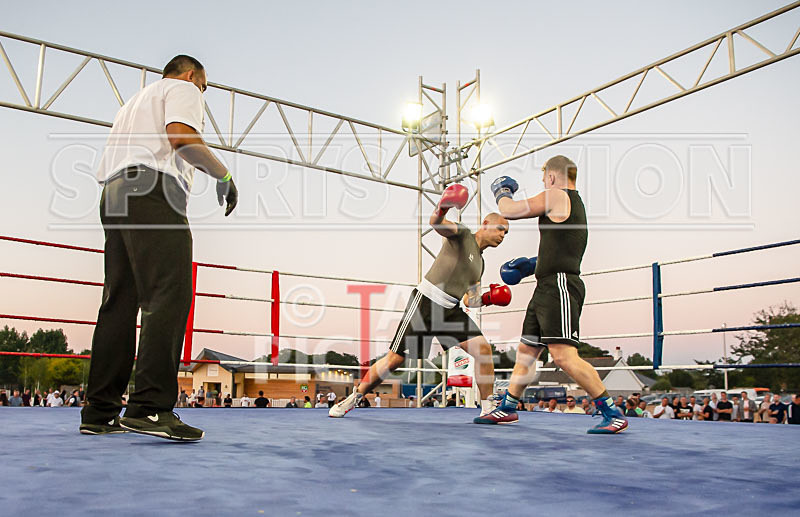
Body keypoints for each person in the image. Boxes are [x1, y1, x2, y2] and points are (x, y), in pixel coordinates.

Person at [80, 55, 238, 441]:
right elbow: (181, 138)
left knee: (119, 301)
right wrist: (223, 174)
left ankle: (99, 411)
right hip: (153, 190)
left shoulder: (133, 104)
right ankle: (150, 407)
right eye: (204, 86)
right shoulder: (183, 88)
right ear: (191, 75)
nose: (202, 93)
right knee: (169, 292)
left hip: (114, 193)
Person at [330, 184, 510, 419]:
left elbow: (471, 300)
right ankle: (353, 398)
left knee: (483, 350)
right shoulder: (463, 234)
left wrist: (490, 298)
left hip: (451, 310)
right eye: (500, 229)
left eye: (506, 234)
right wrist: (444, 206)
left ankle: (487, 408)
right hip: (427, 302)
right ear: (485, 224)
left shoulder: (480, 264)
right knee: (394, 360)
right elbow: (436, 223)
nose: (502, 236)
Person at [476, 156, 626, 434]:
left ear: (552, 177)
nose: (543, 184)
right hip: (547, 285)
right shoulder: (571, 204)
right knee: (527, 350)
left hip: (559, 286)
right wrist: (532, 265)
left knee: (563, 356)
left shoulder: (557, 195)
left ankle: (611, 412)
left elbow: (509, 210)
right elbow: (562, 249)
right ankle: (508, 407)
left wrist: (501, 191)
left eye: (544, 179)